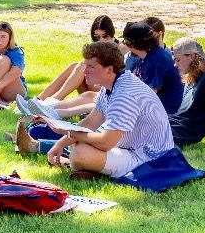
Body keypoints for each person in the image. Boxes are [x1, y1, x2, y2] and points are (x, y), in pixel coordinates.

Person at [41, 41, 176, 180]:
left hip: (150, 160)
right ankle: (89, 167)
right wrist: (60, 144)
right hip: (132, 149)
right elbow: (90, 122)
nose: (84, 71)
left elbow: (106, 142)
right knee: (78, 145)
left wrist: (70, 132)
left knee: (80, 153)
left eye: (91, 67)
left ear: (109, 69)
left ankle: (87, 167)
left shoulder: (124, 94)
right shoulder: (111, 85)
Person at [120, 20, 182, 114]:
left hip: (164, 112)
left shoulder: (155, 62)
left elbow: (147, 97)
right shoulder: (147, 55)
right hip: (154, 108)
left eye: (125, 41)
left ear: (132, 44)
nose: (124, 44)